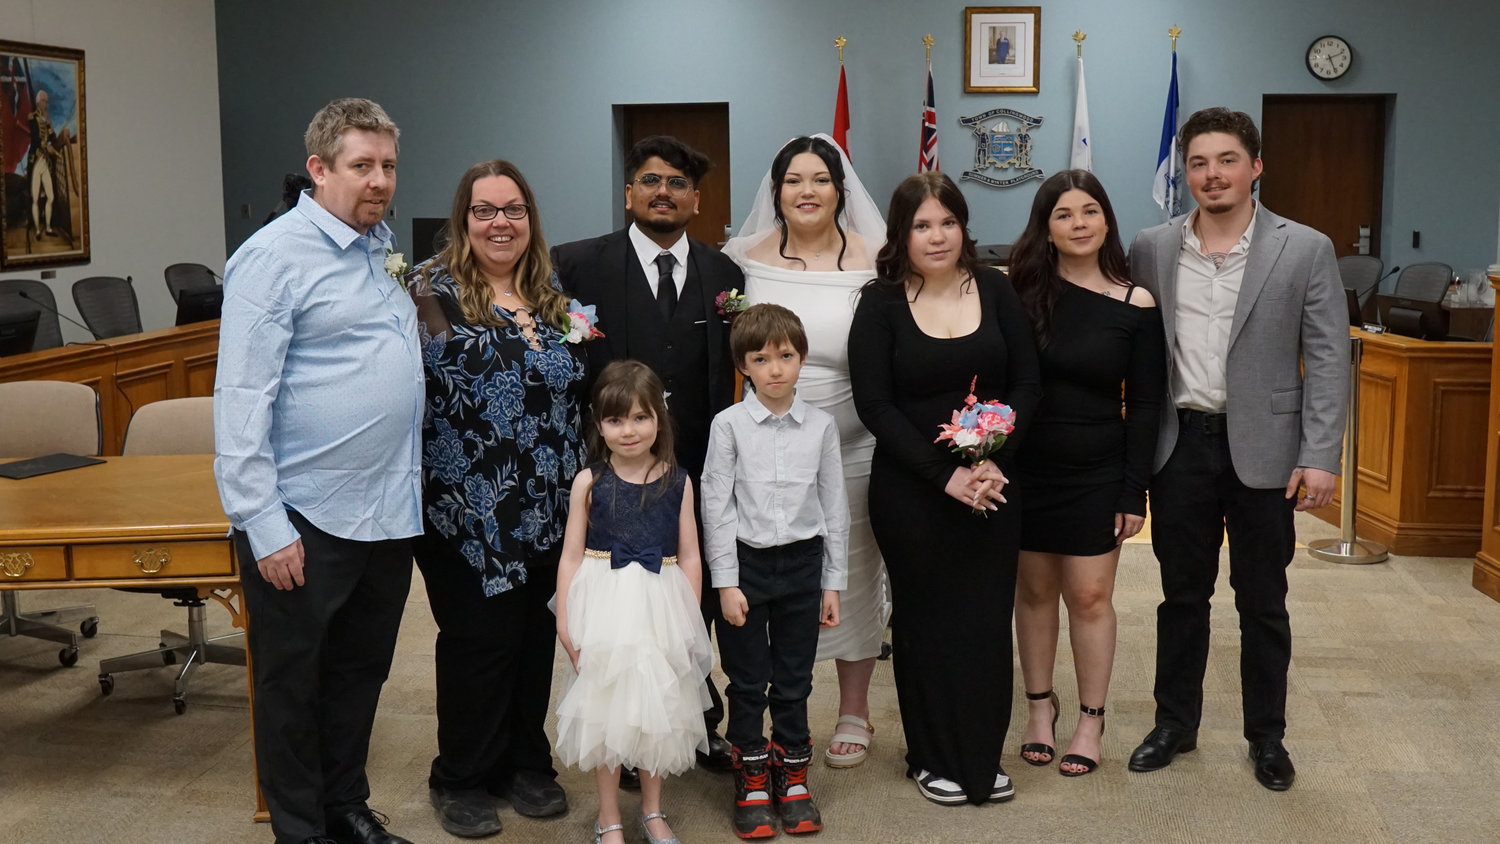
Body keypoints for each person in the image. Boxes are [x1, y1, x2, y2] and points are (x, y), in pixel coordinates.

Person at [214, 97, 418, 844]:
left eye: (388, 165)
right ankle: (301, 831)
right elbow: (240, 402)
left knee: (359, 675)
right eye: (362, 165)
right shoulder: (273, 257)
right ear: (319, 169)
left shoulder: (378, 245)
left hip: (386, 510)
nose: (379, 180)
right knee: (291, 686)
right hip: (303, 514)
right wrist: (264, 524)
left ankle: (345, 807)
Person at [1125, 107, 1348, 792]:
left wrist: (1321, 454)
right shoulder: (1151, 248)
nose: (1211, 174)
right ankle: (1175, 724)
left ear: (1255, 167)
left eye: (1226, 160)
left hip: (1267, 454)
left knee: (1263, 601)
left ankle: (1267, 736)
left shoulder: (1304, 247)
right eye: (1198, 163)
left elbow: (1329, 356)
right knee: (1181, 596)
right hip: (1180, 446)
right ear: (1184, 172)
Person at [553, 135, 744, 777]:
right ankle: (623, 733)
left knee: (690, 599)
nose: (664, 192)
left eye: (678, 183)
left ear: (696, 198)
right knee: (619, 604)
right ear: (629, 191)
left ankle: (692, 721)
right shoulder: (577, 265)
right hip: (612, 468)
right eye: (650, 180)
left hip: (694, 468)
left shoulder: (724, 275)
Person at [848, 172, 1041, 806]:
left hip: (992, 485)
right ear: (901, 235)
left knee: (986, 622)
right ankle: (930, 755)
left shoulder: (995, 286)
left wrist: (994, 461)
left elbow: (1026, 385)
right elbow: (875, 404)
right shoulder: (878, 302)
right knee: (927, 623)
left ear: (964, 227)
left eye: (948, 222)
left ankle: (981, 755)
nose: (937, 236)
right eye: (922, 225)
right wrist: (946, 475)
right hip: (912, 491)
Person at [410, 160, 587, 837]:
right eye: (484, 210)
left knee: (534, 635)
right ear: (463, 220)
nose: (500, 223)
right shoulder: (429, 292)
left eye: (513, 209)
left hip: (549, 501)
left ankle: (525, 762)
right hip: (466, 507)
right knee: (478, 642)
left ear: (530, 219)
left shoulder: (553, 296)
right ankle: (460, 775)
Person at [721, 134, 887, 770]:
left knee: (853, 572)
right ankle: (768, 711)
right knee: (769, 578)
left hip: (855, 446)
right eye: (794, 180)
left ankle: (853, 709)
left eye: (820, 179)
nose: (807, 191)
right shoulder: (743, 259)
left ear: (840, 190)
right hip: (765, 454)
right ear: (776, 190)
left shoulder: (876, 258)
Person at [1007, 170, 1166, 777]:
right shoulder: (1018, 295)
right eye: (1064, 214)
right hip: (1026, 469)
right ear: (1045, 228)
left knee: (1091, 597)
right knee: (1035, 593)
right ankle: (1039, 710)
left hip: (1099, 470)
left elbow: (1147, 404)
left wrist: (1135, 489)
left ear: (1107, 222)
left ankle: (1091, 720)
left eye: (1089, 212)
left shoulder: (1136, 302)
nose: (1079, 224)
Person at [701, 304, 849, 838]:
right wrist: (725, 582)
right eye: (761, 359)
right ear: (744, 366)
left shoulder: (822, 426)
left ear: (802, 358)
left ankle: (792, 778)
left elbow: (834, 507)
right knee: (747, 679)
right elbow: (715, 505)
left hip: (805, 565)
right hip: (747, 565)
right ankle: (752, 779)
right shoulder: (729, 425)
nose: (776, 369)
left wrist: (833, 581)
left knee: (794, 678)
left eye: (786, 356)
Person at [554, 360, 714, 844]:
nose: (629, 430)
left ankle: (652, 810)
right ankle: (608, 816)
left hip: (660, 605)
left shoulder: (679, 480)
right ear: (599, 425)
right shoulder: (589, 481)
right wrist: (566, 620)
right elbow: (570, 557)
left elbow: (690, 556)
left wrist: (690, 623)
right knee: (607, 712)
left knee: (656, 712)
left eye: (641, 418)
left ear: (659, 420)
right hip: (603, 603)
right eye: (616, 420)